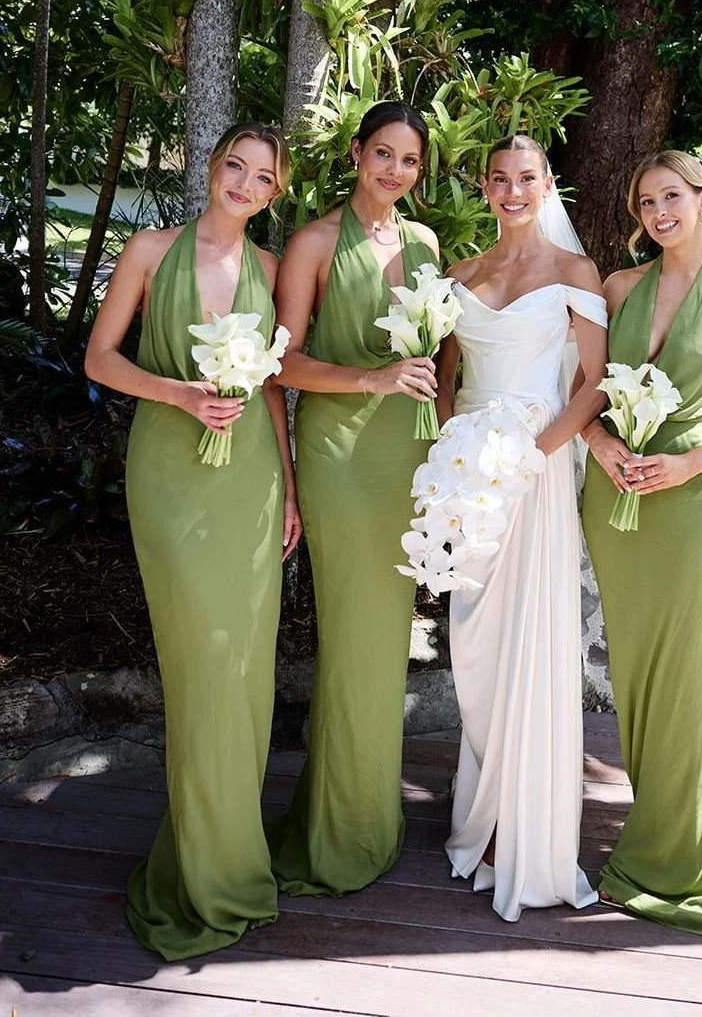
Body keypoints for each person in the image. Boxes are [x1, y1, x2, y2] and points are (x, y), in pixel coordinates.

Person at [85, 122, 302, 960]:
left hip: (248, 477)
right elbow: (102, 360)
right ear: (210, 169)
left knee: (245, 672)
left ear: (274, 194)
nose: (244, 184)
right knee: (203, 662)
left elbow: (277, 389)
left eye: (262, 178)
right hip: (171, 478)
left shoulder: (274, 270)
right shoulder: (150, 250)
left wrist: (286, 488)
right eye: (234, 168)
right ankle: (201, 872)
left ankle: (228, 854)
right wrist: (179, 394)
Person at [580, 149, 702, 947]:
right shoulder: (617, 289)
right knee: (633, 665)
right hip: (615, 493)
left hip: (689, 497)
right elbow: (582, 394)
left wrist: (685, 463)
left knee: (686, 671)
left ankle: (686, 847)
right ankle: (652, 819)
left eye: (672, 198)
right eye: (645, 203)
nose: (658, 213)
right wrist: (599, 448)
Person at [268, 100, 440, 898]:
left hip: (407, 449)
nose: (394, 172)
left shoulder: (426, 243)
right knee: (350, 632)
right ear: (355, 153)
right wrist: (369, 377)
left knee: (390, 638)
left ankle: (372, 812)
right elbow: (282, 363)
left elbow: (434, 355)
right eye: (383, 155)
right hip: (339, 453)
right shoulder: (310, 243)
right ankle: (336, 827)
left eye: (408, 161)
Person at [434, 134, 607, 922]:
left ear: (547, 185)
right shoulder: (459, 277)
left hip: (534, 477)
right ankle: (485, 807)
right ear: (483, 184)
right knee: (472, 644)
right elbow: (444, 381)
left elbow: (593, 388)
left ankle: (524, 832)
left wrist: (529, 456)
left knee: (530, 643)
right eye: (499, 179)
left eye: (526, 179)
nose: (512, 190)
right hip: (468, 480)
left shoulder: (575, 275)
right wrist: (454, 456)